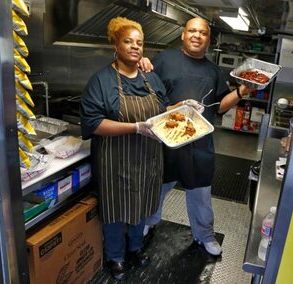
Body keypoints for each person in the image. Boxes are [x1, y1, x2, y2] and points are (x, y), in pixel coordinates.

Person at [140, 17, 253, 256]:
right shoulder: (164, 59)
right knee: (157, 187)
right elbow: (147, 90)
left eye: (202, 32)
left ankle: (204, 235)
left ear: (208, 39)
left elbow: (221, 106)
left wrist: (241, 92)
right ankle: (147, 223)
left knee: (201, 191)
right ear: (183, 34)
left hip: (200, 142)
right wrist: (141, 61)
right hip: (167, 138)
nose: (196, 35)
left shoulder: (213, 71)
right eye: (192, 30)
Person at [80, 17, 168, 281]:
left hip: (148, 157)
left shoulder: (150, 77)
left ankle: (135, 247)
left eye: (139, 43)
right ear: (115, 45)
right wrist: (135, 127)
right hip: (115, 160)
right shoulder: (102, 80)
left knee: (141, 204)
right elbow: (94, 123)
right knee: (116, 208)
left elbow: (163, 112)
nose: (135, 47)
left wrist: (182, 106)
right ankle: (116, 256)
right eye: (128, 42)